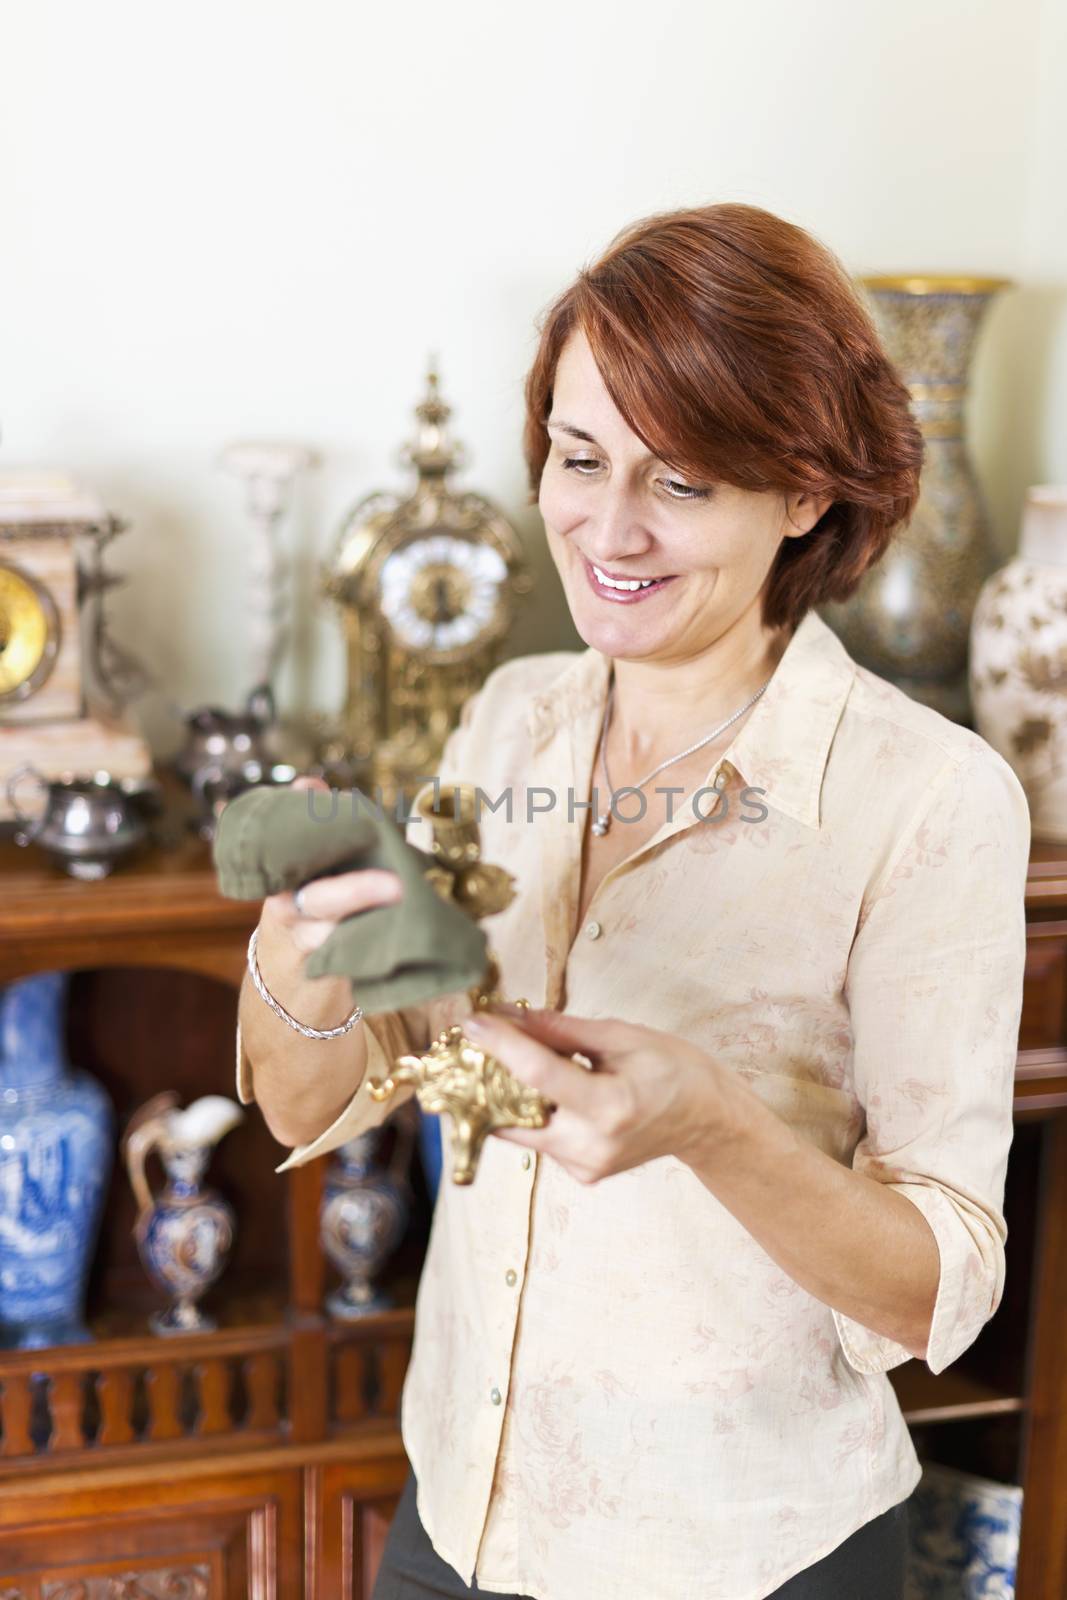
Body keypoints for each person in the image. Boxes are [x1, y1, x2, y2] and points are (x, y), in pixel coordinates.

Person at [234, 203, 1031, 1600]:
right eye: (580, 457)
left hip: (744, 1553)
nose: (609, 528)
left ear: (804, 494)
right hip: (460, 1521)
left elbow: (938, 1286)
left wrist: (712, 1127)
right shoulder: (506, 722)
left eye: (683, 483)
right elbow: (321, 1102)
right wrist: (304, 940)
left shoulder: (927, 797)